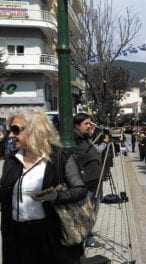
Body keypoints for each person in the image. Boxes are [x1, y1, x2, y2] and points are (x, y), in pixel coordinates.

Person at [0, 111, 87, 264]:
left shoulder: (59, 158)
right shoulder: (11, 160)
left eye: (15, 130)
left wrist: (57, 196)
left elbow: (80, 190)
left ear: (34, 131)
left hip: (48, 235)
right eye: (9, 131)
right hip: (14, 236)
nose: (11, 136)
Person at [72, 113, 102, 248]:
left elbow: (99, 135)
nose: (90, 126)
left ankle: (88, 237)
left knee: (92, 214)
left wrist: (93, 130)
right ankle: (84, 239)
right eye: (87, 124)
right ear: (77, 126)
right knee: (85, 214)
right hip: (86, 184)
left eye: (91, 123)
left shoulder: (84, 138)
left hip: (95, 183)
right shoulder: (75, 139)